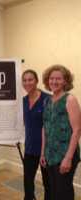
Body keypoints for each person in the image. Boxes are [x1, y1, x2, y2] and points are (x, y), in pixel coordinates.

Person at [40, 64, 81, 200]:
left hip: (65, 154)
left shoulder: (70, 100)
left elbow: (77, 130)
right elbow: (45, 128)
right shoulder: (47, 101)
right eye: (51, 78)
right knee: (52, 191)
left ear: (65, 81)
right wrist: (43, 153)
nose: (54, 81)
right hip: (50, 154)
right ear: (47, 80)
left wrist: (68, 158)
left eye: (58, 78)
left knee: (63, 192)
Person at [22, 69, 50, 200]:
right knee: (27, 182)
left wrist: (44, 152)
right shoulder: (23, 101)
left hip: (47, 149)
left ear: (37, 81)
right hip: (30, 148)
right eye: (25, 80)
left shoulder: (47, 99)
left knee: (48, 183)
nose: (27, 83)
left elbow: (49, 126)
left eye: (30, 79)